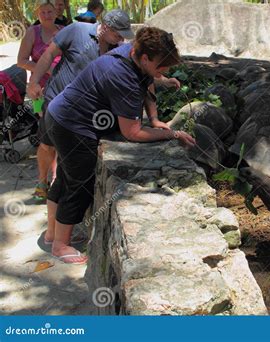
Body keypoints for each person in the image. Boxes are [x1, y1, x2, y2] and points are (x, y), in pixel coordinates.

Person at [44, 27, 196, 264]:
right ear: (145, 58)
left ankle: (52, 233)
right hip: (72, 125)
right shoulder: (120, 73)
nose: (164, 72)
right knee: (80, 184)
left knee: (65, 174)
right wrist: (172, 135)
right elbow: (132, 132)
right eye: (162, 66)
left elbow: (147, 82)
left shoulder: (133, 53)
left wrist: (155, 118)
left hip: (60, 114)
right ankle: (60, 245)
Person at [27, 9, 131, 204]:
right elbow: (49, 55)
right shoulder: (77, 30)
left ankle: (59, 190)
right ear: (105, 27)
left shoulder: (116, 48)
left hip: (83, 109)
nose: (120, 39)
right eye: (118, 34)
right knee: (47, 144)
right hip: (55, 100)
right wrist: (34, 82)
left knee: (68, 150)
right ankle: (42, 182)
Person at [17, 0, 63, 201]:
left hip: (62, 90)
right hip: (38, 92)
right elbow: (21, 61)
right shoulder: (32, 32)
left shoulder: (63, 31)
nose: (46, 14)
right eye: (43, 12)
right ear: (37, 13)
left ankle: (56, 178)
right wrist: (44, 68)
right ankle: (42, 181)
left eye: (50, 11)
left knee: (61, 135)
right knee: (46, 137)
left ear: (56, 12)